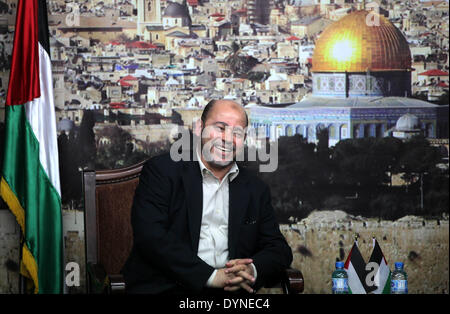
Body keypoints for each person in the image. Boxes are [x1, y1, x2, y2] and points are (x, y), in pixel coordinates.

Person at [121, 99, 293, 294]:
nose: (228, 139)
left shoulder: (255, 189)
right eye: (220, 128)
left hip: (231, 295)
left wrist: (250, 269)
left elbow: (279, 249)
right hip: (168, 288)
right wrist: (210, 277)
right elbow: (151, 237)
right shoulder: (162, 172)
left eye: (237, 133)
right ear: (199, 128)